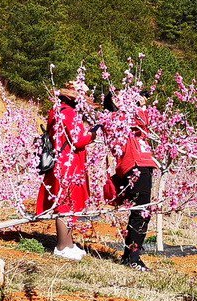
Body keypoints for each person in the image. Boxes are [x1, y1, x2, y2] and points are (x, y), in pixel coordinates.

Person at [36, 84, 97, 261]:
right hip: (68, 163)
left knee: (67, 202)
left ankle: (69, 244)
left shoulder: (55, 110)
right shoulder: (69, 113)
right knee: (66, 203)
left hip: (59, 160)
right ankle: (62, 246)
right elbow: (78, 140)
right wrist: (93, 134)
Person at [103, 89, 157, 271]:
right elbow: (143, 121)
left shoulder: (128, 122)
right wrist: (141, 106)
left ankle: (129, 255)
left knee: (141, 211)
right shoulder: (116, 119)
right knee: (141, 212)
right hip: (134, 166)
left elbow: (144, 126)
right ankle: (133, 257)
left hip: (141, 164)